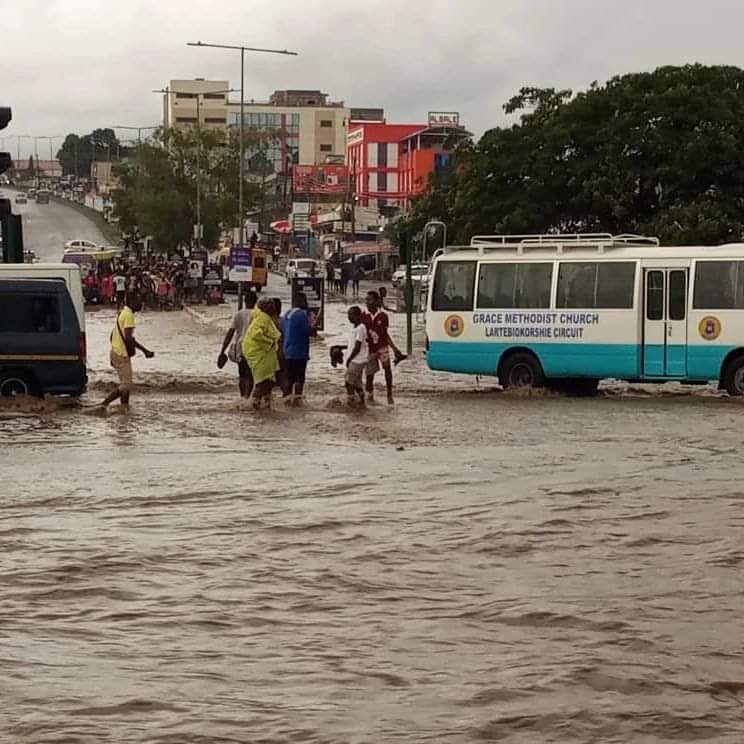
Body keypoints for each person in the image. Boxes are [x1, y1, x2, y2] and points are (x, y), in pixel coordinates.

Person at [97, 292, 155, 410]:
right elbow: (129, 338)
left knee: (125, 385)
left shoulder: (123, 313)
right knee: (127, 385)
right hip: (121, 354)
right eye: (138, 301)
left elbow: (112, 335)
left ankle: (124, 408)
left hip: (116, 352)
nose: (141, 304)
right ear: (132, 302)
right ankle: (103, 404)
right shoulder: (129, 316)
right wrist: (144, 351)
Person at [362, 290, 407, 405]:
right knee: (369, 374)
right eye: (366, 300)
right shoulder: (364, 316)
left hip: (382, 347)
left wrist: (394, 349)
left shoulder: (383, 316)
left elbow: (385, 334)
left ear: (376, 301)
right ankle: (369, 396)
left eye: (370, 300)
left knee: (387, 369)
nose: (367, 302)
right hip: (370, 349)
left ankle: (389, 395)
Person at [242, 297, 281, 409]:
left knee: (268, 383)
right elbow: (256, 335)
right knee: (262, 382)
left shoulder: (260, 317)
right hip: (261, 355)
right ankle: (253, 406)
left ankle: (265, 406)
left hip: (264, 355)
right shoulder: (263, 319)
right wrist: (269, 343)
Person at [217, 290, 257, 398]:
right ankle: (247, 397)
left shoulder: (239, 314)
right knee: (250, 376)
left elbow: (230, 333)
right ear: (255, 302)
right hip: (253, 349)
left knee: (242, 375)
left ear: (245, 301)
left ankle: (242, 396)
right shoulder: (257, 315)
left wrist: (222, 351)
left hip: (240, 349)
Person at [282, 292, 313, 404]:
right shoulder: (302, 315)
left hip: (287, 351)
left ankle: (286, 400)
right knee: (299, 379)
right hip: (299, 353)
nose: (307, 303)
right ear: (299, 301)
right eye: (305, 301)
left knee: (288, 378)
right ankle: (297, 401)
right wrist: (313, 324)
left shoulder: (286, 314)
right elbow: (309, 331)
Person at [345, 305, 368, 407]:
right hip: (357, 359)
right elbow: (352, 344)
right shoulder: (355, 328)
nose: (349, 317)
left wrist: (349, 359)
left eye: (351, 315)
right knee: (356, 382)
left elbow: (357, 346)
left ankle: (351, 401)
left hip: (357, 360)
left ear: (357, 316)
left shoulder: (361, 328)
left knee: (348, 382)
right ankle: (362, 401)